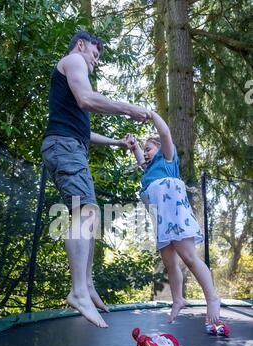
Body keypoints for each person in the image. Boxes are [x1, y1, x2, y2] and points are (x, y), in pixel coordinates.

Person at [41, 31, 152, 328]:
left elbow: (83, 132)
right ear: (80, 45)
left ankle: (87, 285)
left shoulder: (73, 73)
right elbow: (87, 99)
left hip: (69, 145)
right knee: (85, 212)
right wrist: (129, 108)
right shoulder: (74, 59)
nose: (94, 60)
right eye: (95, 53)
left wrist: (118, 142)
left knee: (89, 213)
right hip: (64, 148)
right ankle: (78, 291)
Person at [125, 110, 221, 325]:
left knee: (189, 257)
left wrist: (150, 115)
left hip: (175, 216)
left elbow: (165, 133)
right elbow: (142, 160)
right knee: (169, 262)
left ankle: (212, 298)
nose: (146, 154)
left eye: (149, 149)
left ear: (160, 149)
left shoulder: (168, 159)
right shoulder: (150, 171)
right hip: (161, 220)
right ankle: (178, 299)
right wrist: (135, 147)